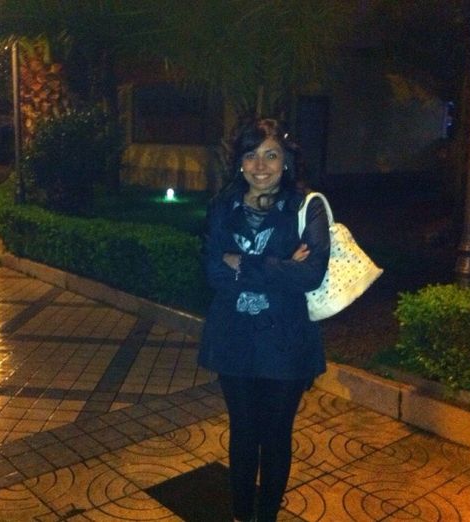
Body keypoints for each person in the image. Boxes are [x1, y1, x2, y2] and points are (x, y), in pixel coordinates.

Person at [198, 118, 330, 522]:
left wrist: (242, 262)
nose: (260, 165)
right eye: (251, 154)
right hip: (233, 338)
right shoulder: (223, 206)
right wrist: (282, 265)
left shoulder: (307, 207)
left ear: (286, 161)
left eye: (271, 155)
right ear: (239, 161)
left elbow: (312, 274)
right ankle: (241, 514)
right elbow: (212, 271)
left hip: (286, 343)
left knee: (275, 436)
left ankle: (267, 515)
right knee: (242, 432)